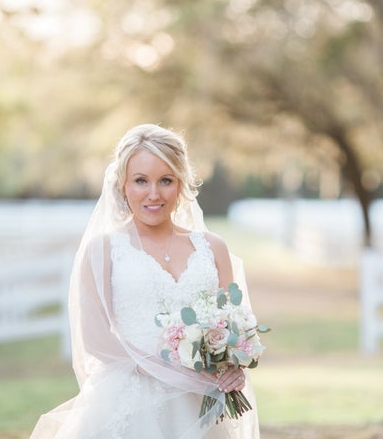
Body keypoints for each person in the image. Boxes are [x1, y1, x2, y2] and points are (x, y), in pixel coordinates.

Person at [30, 124, 260, 438]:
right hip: (130, 404)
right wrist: (172, 371)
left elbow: (233, 324)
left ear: (180, 183)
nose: (154, 194)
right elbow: (96, 340)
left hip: (200, 403)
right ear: (123, 185)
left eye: (166, 180)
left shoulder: (213, 248)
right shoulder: (103, 251)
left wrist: (233, 367)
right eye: (141, 181)